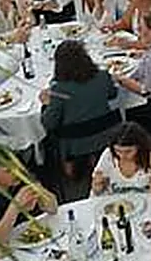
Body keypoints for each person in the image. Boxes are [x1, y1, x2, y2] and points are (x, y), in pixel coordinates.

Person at [40, 39, 120, 175]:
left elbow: (48, 123)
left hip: (74, 142)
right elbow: (113, 94)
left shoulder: (59, 89)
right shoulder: (103, 76)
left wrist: (46, 103)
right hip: (106, 133)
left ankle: (71, 168)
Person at [92, 121, 151, 198]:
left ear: (140, 146)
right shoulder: (108, 155)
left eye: (128, 151)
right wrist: (98, 184)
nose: (123, 156)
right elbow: (97, 192)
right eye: (118, 151)